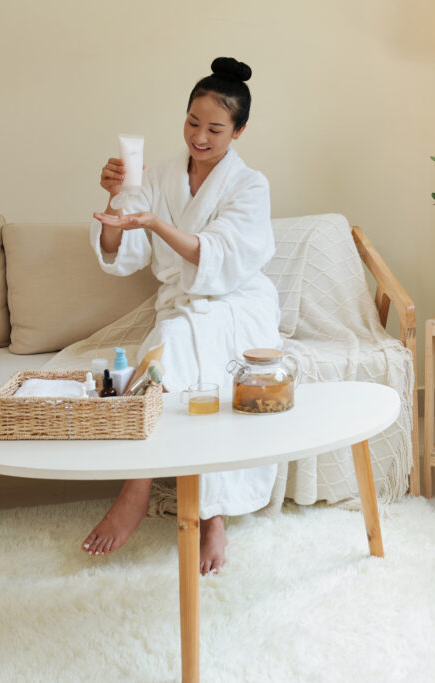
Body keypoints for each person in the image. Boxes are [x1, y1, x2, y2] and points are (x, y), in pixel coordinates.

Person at [82, 57, 281, 576]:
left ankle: (158, 496)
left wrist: (153, 222)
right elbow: (120, 252)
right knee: (173, 342)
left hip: (238, 305)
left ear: (238, 131)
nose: (200, 136)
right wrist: (115, 203)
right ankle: (196, 509)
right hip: (183, 306)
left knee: (174, 347)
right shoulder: (162, 176)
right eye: (192, 122)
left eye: (215, 128)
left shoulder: (249, 185)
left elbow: (216, 254)